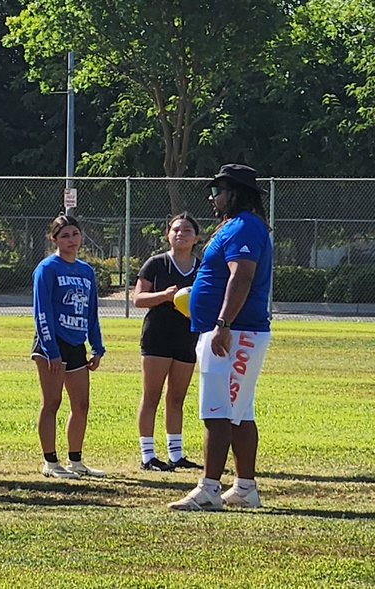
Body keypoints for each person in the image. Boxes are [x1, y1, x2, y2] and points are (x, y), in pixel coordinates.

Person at [169, 164, 272, 511]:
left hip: (234, 332)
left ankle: (209, 488)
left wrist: (223, 323)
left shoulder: (244, 227)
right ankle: (244, 488)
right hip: (229, 331)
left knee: (218, 411)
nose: (212, 198)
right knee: (239, 412)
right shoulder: (235, 225)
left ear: (235, 193)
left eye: (217, 191)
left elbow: (241, 277)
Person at [31, 214, 106, 480]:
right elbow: (41, 311)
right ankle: (50, 462)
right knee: (52, 402)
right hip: (52, 344)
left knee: (81, 404)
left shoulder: (86, 271)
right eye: (64, 236)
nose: (71, 240)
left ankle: (76, 461)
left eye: (75, 234)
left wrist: (97, 347)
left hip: (76, 344)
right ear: (54, 239)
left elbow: (91, 312)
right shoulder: (47, 268)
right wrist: (51, 350)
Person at [133, 213, 203, 472]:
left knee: (176, 398)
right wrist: (164, 296)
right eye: (175, 230)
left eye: (187, 230)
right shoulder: (157, 263)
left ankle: (176, 455)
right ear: (167, 235)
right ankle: (148, 456)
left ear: (196, 238)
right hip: (157, 337)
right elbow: (138, 299)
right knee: (151, 396)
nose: (180, 234)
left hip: (187, 338)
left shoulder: (202, 267)